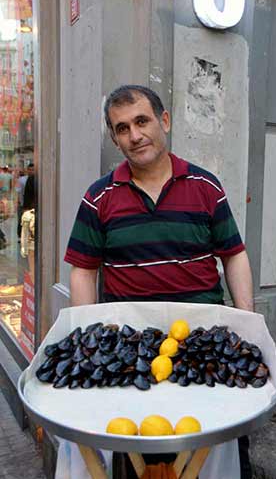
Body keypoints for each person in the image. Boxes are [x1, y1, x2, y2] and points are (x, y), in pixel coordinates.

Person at [64, 85, 254, 478]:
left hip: (204, 350)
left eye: (141, 121)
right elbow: (83, 269)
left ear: (164, 121)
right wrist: (89, 341)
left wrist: (245, 325)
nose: (134, 135)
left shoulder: (206, 187)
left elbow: (233, 255)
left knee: (220, 451)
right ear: (115, 139)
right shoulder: (98, 198)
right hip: (132, 354)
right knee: (138, 454)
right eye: (121, 128)